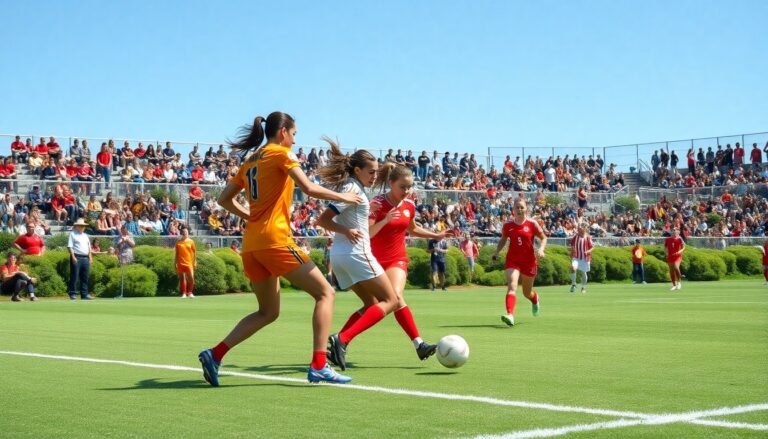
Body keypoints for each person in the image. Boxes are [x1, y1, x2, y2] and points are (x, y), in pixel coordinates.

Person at [198, 112, 362, 386]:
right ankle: (320, 365)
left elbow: (224, 199)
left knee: (268, 312)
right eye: (295, 134)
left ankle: (215, 354)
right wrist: (345, 196)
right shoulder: (281, 153)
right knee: (326, 293)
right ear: (283, 131)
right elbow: (308, 188)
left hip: (251, 245)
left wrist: (250, 216)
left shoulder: (250, 160)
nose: (295, 141)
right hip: (275, 241)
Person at [316, 138, 398, 372]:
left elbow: (349, 211)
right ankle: (341, 339)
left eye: (376, 172)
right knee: (391, 301)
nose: (374, 176)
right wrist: (347, 230)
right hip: (356, 253)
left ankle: (340, 341)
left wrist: (363, 212)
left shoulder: (353, 187)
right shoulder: (352, 188)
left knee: (370, 303)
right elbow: (322, 220)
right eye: (371, 172)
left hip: (341, 257)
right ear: (357, 170)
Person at [358, 163, 451, 361]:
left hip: (397, 259)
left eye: (409, 187)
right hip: (374, 261)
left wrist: (436, 235)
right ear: (391, 183)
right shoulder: (378, 203)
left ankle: (419, 344)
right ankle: (340, 340)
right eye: (402, 187)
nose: (406, 191)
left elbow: (413, 229)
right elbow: (367, 233)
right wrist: (384, 220)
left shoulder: (409, 205)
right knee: (371, 306)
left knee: (396, 296)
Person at [491, 197, 546, 326]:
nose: (520, 209)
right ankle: (510, 315)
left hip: (529, 262)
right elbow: (503, 240)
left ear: (526, 209)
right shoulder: (508, 226)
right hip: (513, 260)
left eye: (522, 207)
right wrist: (496, 252)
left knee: (527, 293)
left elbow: (543, 238)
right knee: (512, 286)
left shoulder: (532, 224)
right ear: (513, 210)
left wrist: (541, 249)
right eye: (517, 207)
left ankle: (534, 299)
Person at [67, 218, 93, 300]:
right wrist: (73, 256)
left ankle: (84, 294)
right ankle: (72, 293)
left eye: (83, 226)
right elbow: (70, 246)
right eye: (81, 226)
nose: (82, 227)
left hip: (85, 258)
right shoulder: (73, 234)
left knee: (85, 277)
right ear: (77, 226)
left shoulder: (85, 236)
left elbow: (89, 248)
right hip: (77, 256)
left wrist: (90, 257)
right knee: (74, 276)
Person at [569, 224, 593, 294]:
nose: (578, 231)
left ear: (584, 230)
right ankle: (574, 284)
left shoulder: (588, 237)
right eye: (578, 229)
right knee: (573, 268)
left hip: (585, 258)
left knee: (584, 272)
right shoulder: (575, 237)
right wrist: (571, 251)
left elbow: (592, 247)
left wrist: (589, 251)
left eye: (580, 230)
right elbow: (571, 245)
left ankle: (583, 287)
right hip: (576, 257)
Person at [175, 226, 196, 298]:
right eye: (184, 232)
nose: (185, 233)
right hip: (180, 262)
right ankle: (184, 293)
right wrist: (175, 263)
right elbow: (177, 253)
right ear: (182, 233)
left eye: (186, 232)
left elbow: (194, 252)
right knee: (182, 278)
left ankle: (190, 292)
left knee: (191, 278)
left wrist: (195, 261)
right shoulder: (178, 242)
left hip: (189, 262)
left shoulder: (191, 241)